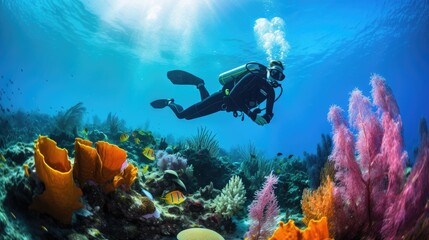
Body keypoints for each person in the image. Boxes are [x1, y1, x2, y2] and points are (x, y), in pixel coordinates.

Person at [150, 60, 285, 126]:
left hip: (225, 107)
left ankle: (200, 84)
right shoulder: (253, 77)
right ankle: (170, 102)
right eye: (274, 72)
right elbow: (233, 95)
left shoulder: (271, 92)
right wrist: (252, 115)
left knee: (190, 117)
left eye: (279, 76)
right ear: (268, 70)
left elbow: (269, 113)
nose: (275, 77)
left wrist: (266, 119)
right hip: (221, 99)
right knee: (182, 116)